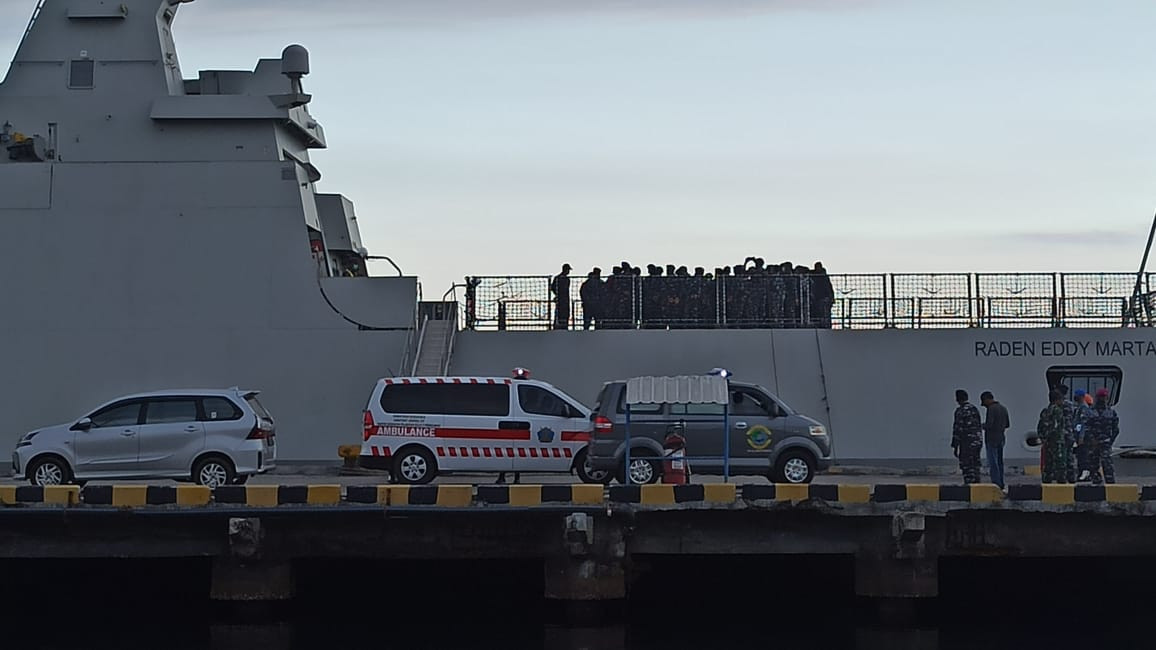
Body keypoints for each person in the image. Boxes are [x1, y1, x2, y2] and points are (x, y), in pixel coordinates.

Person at [1084, 387, 1120, 485]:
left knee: (1107, 464)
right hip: (1093, 443)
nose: (1102, 399)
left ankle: (1110, 484)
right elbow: (1086, 427)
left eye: (1104, 397)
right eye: (1100, 397)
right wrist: (1091, 439)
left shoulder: (1111, 412)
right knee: (1093, 465)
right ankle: (1096, 483)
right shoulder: (1090, 411)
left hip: (1105, 443)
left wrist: (1110, 441)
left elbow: (1116, 429)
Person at [951, 389, 984, 484]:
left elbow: (958, 429)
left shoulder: (960, 411)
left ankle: (969, 484)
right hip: (977, 440)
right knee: (976, 463)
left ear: (957, 399)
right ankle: (977, 484)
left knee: (967, 465)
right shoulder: (974, 409)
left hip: (967, 442)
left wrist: (955, 445)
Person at [980, 391, 1010, 489]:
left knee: (993, 463)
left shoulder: (991, 409)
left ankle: (996, 484)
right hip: (1001, 437)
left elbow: (989, 424)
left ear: (987, 399)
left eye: (984, 402)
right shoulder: (1003, 408)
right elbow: (1007, 425)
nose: (984, 405)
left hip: (991, 439)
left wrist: (980, 426)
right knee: (1000, 462)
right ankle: (1001, 483)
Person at [1037, 390, 1068, 484]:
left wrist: (1043, 438)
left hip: (1047, 442)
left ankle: (1046, 481)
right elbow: (1056, 426)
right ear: (1057, 400)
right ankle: (1061, 482)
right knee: (1060, 462)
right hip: (1057, 440)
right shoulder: (1058, 411)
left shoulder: (1045, 410)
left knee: (1048, 463)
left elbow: (1040, 426)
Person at [1056, 385, 1077, 483]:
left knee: (1062, 457)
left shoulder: (1059, 404)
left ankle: (1062, 478)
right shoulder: (1070, 404)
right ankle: (1071, 477)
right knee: (1070, 456)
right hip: (1070, 433)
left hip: (1062, 433)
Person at [1072, 389, 1093, 481]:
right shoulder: (1079, 408)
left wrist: (1081, 436)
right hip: (1078, 436)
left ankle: (1085, 473)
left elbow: (1083, 424)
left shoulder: (1084, 408)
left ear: (1081, 397)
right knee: (1080, 455)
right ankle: (1082, 473)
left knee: (1083, 455)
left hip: (1084, 437)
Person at [550, 264, 572, 330]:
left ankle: (561, 326)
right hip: (563, 299)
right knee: (562, 313)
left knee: (562, 314)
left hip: (563, 299)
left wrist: (557, 294)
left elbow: (552, 287)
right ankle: (562, 326)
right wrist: (558, 294)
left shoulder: (559, 278)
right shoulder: (564, 279)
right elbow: (553, 288)